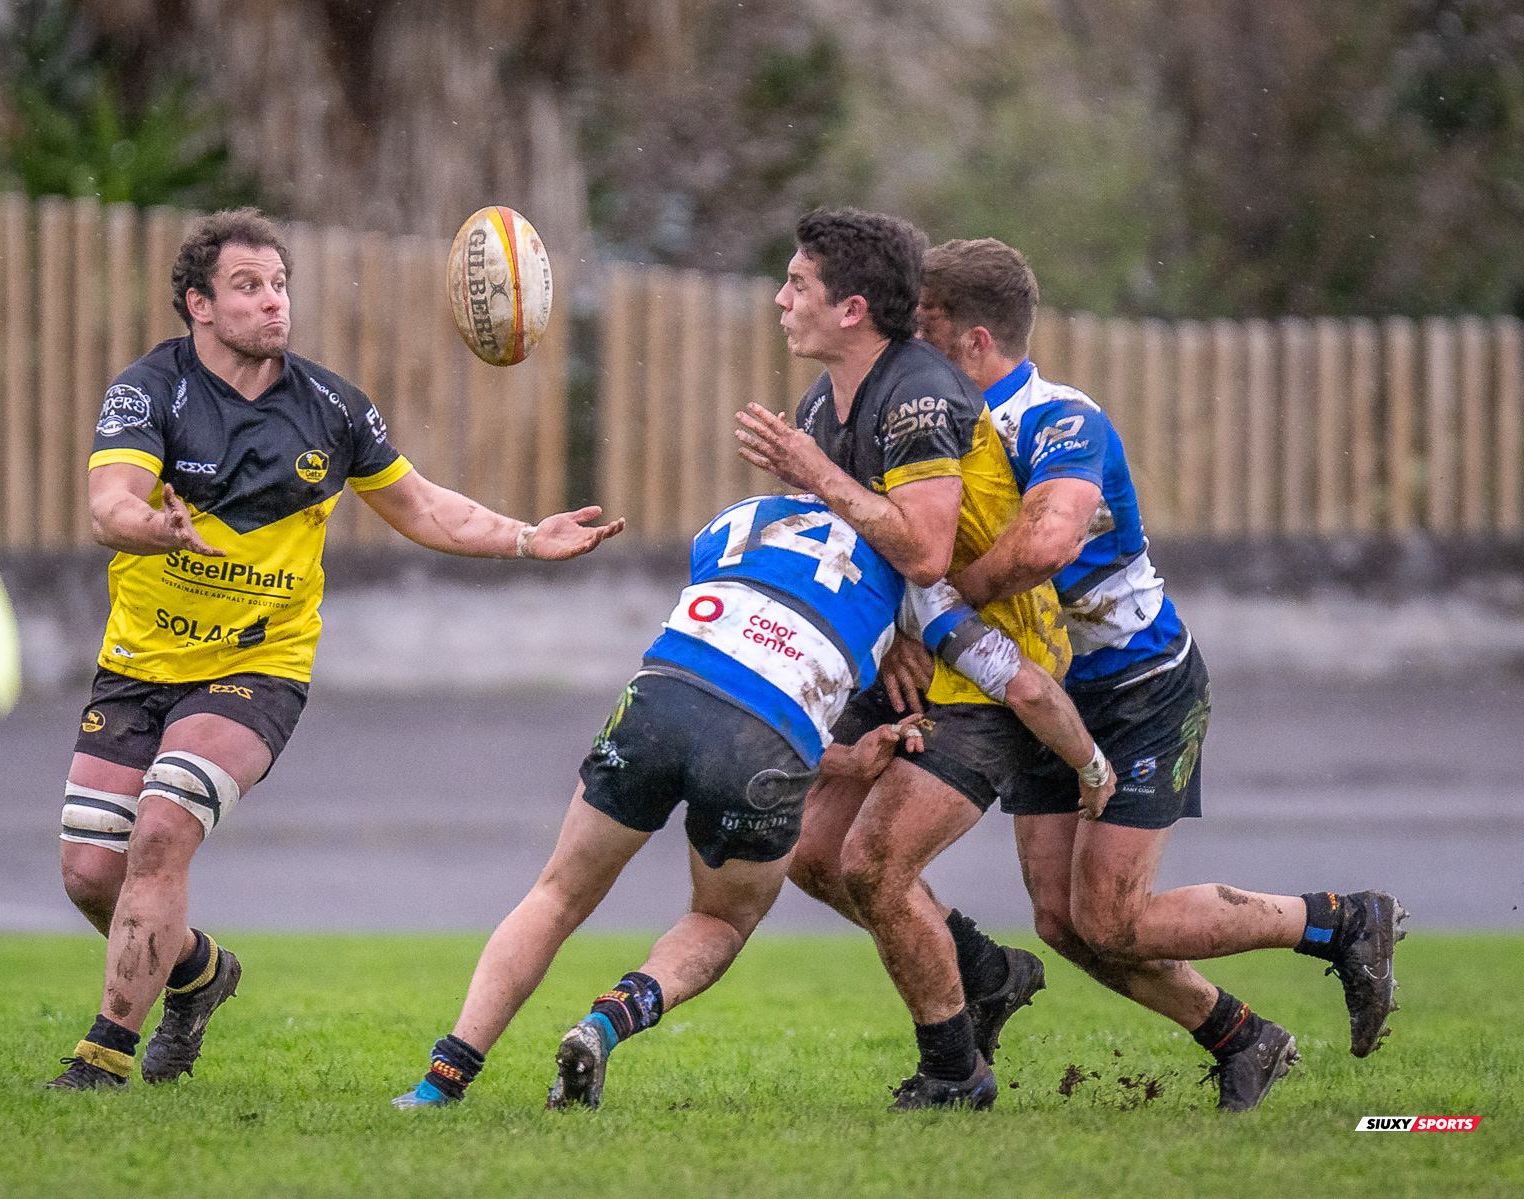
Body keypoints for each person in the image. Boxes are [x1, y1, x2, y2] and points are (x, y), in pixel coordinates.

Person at [46, 208, 623, 1090]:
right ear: (198, 304)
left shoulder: (331, 406)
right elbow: (109, 504)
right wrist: (154, 529)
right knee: (93, 873)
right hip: (138, 663)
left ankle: (104, 1058)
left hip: (257, 668)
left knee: (163, 827)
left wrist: (523, 538)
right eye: (249, 287)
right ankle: (199, 975)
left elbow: (422, 506)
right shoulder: (148, 390)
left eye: (279, 284)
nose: (274, 302)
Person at [910, 236, 1406, 1109]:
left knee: (1112, 917)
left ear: (975, 339)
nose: (916, 350)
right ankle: (1245, 1036)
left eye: (927, 329)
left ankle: (1341, 920)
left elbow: (1048, 542)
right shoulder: (948, 436)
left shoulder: (1059, 418)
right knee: (1063, 922)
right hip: (1052, 694)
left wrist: (948, 600)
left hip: (1141, 687)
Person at [393, 490, 1083, 1110]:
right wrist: (1091, 762)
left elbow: (744, 641)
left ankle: (441, 1080)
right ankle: (608, 1020)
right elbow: (1008, 677)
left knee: (558, 892)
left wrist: (837, 749)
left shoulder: (742, 515)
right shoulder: (915, 571)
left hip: (660, 695)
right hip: (766, 740)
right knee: (721, 920)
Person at [734, 209, 1101, 1110]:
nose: (780, 299)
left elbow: (928, 553)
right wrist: (882, 628)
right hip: (913, 653)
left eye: (796, 284)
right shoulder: (827, 403)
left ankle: (955, 1071)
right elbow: (865, 556)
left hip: (991, 668)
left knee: (874, 864)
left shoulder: (923, 396)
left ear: (852, 309)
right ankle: (982, 968)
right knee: (812, 852)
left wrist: (815, 472)